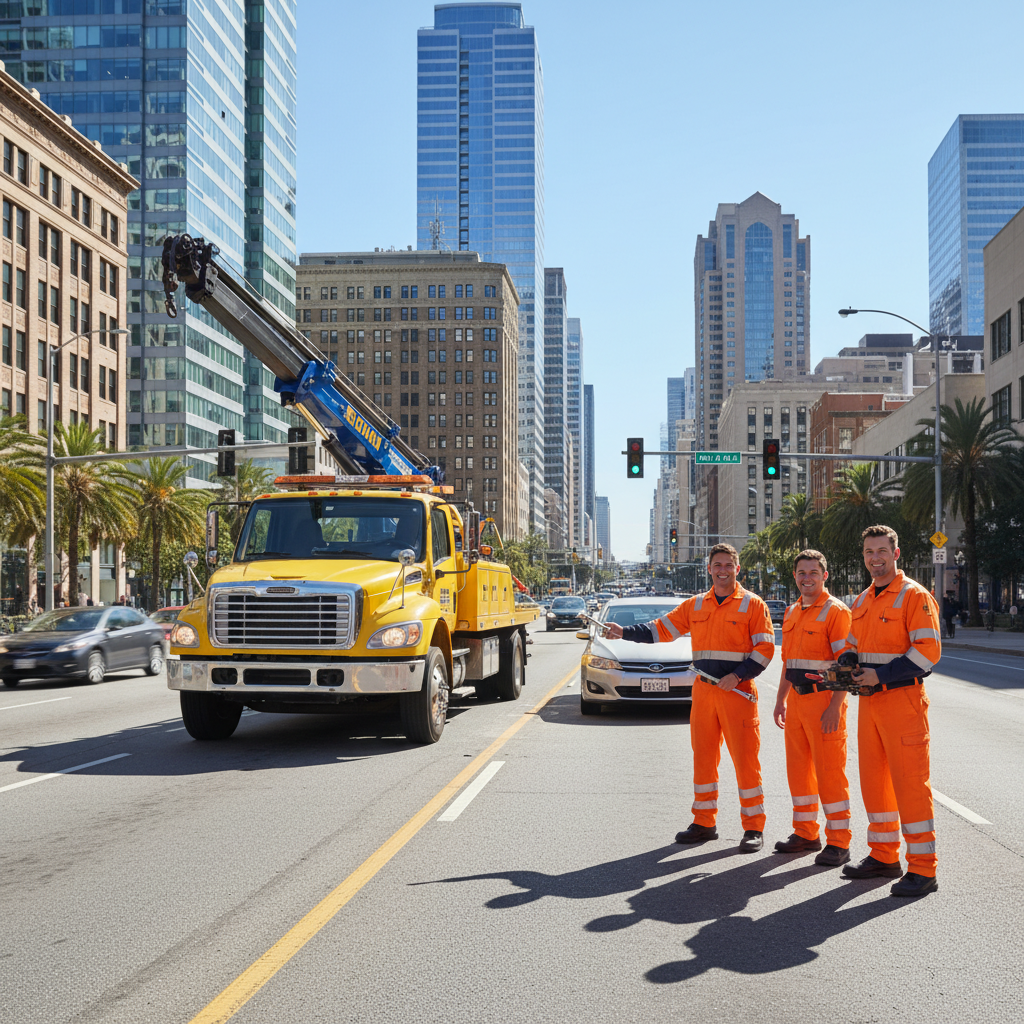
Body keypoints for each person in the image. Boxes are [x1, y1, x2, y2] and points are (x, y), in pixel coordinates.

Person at [604, 543, 775, 853]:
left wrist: (737, 675)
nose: (722, 570)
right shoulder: (695, 605)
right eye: (717, 565)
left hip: (736, 692)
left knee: (746, 761)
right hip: (704, 692)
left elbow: (765, 650)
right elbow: (660, 629)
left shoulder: (753, 605)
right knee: (703, 758)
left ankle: (753, 827)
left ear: (737, 569)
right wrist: (623, 632)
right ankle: (704, 823)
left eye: (728, 565)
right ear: (708, 569)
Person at [836, 525, 941, 898]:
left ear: (896, 554)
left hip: (902, 702)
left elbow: (927, 653)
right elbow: (852, 642)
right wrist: (848, 661)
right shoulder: (863, 599)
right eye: (869, 552)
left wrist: (879, 674)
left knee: (910, 785)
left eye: (882, 551)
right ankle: (884, 856)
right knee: (874, 782)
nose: (875, 558)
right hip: (870, 703)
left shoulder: (915, 595)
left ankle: (923, 870)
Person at [773, 550, 853, 868]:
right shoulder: (792, 612)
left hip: (824, 702)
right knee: (799, 772)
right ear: (795, 577)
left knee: (830, 774)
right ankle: (806, 833)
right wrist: (780, 699)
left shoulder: (836, 612)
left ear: (825, 575)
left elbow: (845, 666)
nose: (807, 578)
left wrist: (835, 706)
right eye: (802, 573)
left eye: (814, 572)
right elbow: (788, 663)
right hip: (796, 702)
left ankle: (839, 842)